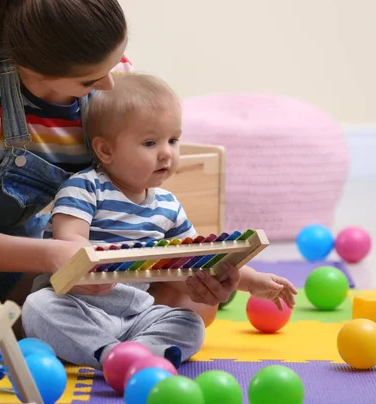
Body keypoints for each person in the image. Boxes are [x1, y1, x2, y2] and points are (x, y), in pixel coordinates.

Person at [0, 0, 244, 370]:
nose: (108, 84)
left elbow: (129, 191)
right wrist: (55, 256)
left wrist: (193, 272)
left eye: (114, 63)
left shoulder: (110, 75)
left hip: (17, 250)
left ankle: (103, 347)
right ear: (33, 70)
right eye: (90, 80)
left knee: (193, 302)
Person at [22, 73, 298, 370]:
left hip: (137, 315)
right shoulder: (85, 187)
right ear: (106, 150)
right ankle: (109, 355)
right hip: (78, 307)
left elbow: (199, 260)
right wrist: (92, 262)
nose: (167, 152)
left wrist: (251, 281)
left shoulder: (168, 205)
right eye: (150, 142)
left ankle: (134, 352)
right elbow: (69, 240)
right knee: (38, 307)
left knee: (189, 323)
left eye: (173, 140)